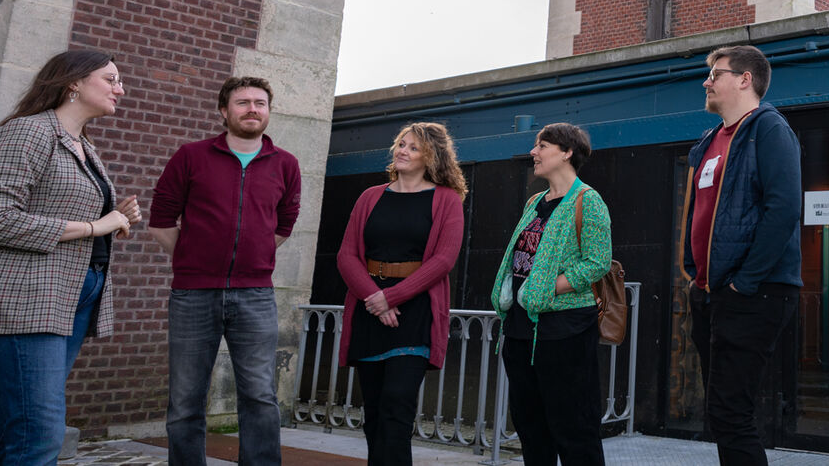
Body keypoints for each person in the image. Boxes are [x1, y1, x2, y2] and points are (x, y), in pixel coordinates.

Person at [0, 49, 141, 466]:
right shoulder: (27, 133)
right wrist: (95, 227)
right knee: (41, 432)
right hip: (25, 298)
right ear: (73, 82)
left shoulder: (83, 145)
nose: (120, 88)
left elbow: (66, 210)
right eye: (111, 78)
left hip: (74, 296)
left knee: (17, 423)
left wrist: (116, 217)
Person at [147, 77, 301, 466]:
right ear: (223, 111)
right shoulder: (191, 156)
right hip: (193, 295)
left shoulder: (286, 164)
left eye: (260, 103)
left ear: (268, 110)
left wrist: (254, 255)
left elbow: (283, 226)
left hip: (256, 295)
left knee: (260, 397)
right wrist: (192, 258)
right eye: (243, 102)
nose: (252, 109)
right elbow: (161, 219)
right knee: (185, 399)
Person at [676, 45, 802, 465]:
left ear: (745, 79)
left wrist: (744, 282)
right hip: (712, 293)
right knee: (722, 413)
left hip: (755, 292)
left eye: (716, 73)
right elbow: (698, 212)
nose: (706, 81)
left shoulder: (768, 128)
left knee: (731, 413)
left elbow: (783, 208)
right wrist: (695, 275)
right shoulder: (709, 141)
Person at [334, 123, 467, 466]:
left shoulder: (447, 200)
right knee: (375, 414)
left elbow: (444, 260)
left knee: (397, 407)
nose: (402, 151)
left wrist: (392, 298)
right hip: (369, 311)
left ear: (431, 156)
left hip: (416, 313)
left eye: (413, 147)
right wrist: (375, 299)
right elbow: (347, 256)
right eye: (400, 144)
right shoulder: (370, 197)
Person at [490, 123, 611, 466]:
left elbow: (597, 262)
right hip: (519, 330)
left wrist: (548, 288)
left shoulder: (588, 200)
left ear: (567, 152)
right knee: (531, 428)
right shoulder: (534, 201)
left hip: (565, 329)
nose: (534, 152)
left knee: (574, 428)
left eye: (542, 145)